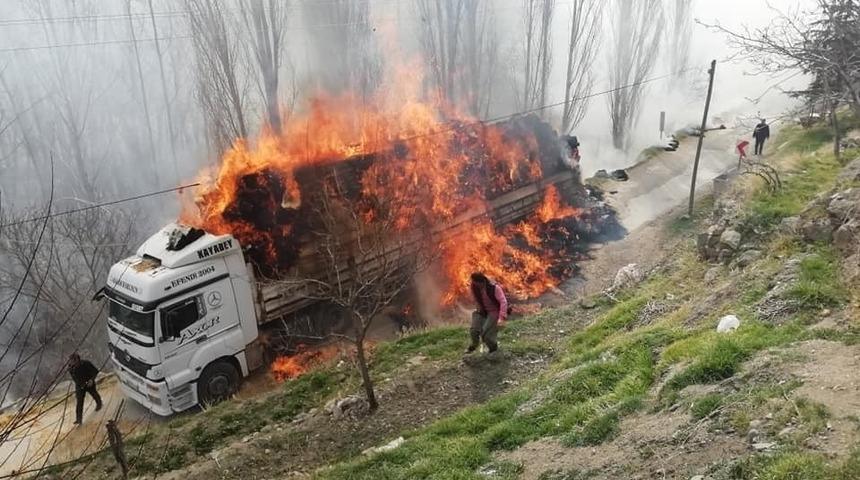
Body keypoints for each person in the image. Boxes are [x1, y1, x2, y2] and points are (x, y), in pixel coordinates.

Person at [466, 272, 508, 354]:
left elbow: (503, 302)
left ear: (482, 282)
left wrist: (501, 318)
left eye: (478, 284)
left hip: (494, 312)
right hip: (482, 311)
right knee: (473, 331)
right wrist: (479, 308)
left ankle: (493, 348)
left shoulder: (494, 288)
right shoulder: (474, 286)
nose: (476, 286)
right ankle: (474, 345)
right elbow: (476, 298)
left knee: (486, 335)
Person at [68, 353, 102, 425]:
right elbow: (75, 379)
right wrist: (81, 385)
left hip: (89, 382)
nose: (73, 363)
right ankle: (79, 419)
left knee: (94, 394)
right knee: (79, 402)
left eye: (74, 361)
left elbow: (95, 371)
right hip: (80, 385)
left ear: (78, 360)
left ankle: (99, 404)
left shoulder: (86, 363)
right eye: (71, 361)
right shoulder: (71, 368)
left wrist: (91, 380)